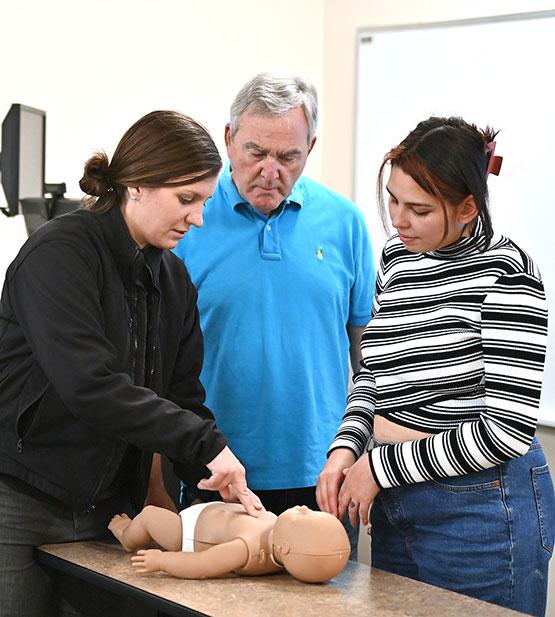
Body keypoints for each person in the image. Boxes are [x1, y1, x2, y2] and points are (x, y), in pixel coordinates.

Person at [0, 110, 263, 617]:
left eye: (205, 201)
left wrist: (213, 473)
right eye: (187, 200)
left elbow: (182, 399)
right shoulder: (59, 254)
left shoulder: (175, 282)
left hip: (107, 511)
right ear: (137, 185)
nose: (198, 218)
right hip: (20, 498)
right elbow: (90, 384)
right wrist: (205, 443)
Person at [317, 116, 554, 616]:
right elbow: (373, 377)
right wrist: (346, 449)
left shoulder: (508, 274)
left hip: (480, 510)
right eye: (393, 200)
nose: (398, 220)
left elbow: (505, 432)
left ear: (468, 208)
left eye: (419, 210)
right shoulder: (397, 261)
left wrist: (379, 468)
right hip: (396, 502)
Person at [173, 74, 375, 557]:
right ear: (228, 139)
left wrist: (365, 456)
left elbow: (367, 357)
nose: (270, 172)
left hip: (323, 476)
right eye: (255, 152)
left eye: (288, 157)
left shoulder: (345, 222)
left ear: (311, 148)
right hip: (213, 469)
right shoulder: (187, 220)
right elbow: (155, 369)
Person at [108, 503, 350, 583]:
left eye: (304, 516)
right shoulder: (279, 536)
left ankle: (127, 535)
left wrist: (162, 560)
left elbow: (202, 565)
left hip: (188, 531)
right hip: (211, 510)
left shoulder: (246, 549)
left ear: (285, 547)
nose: (305, 507)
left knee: (150, 515)